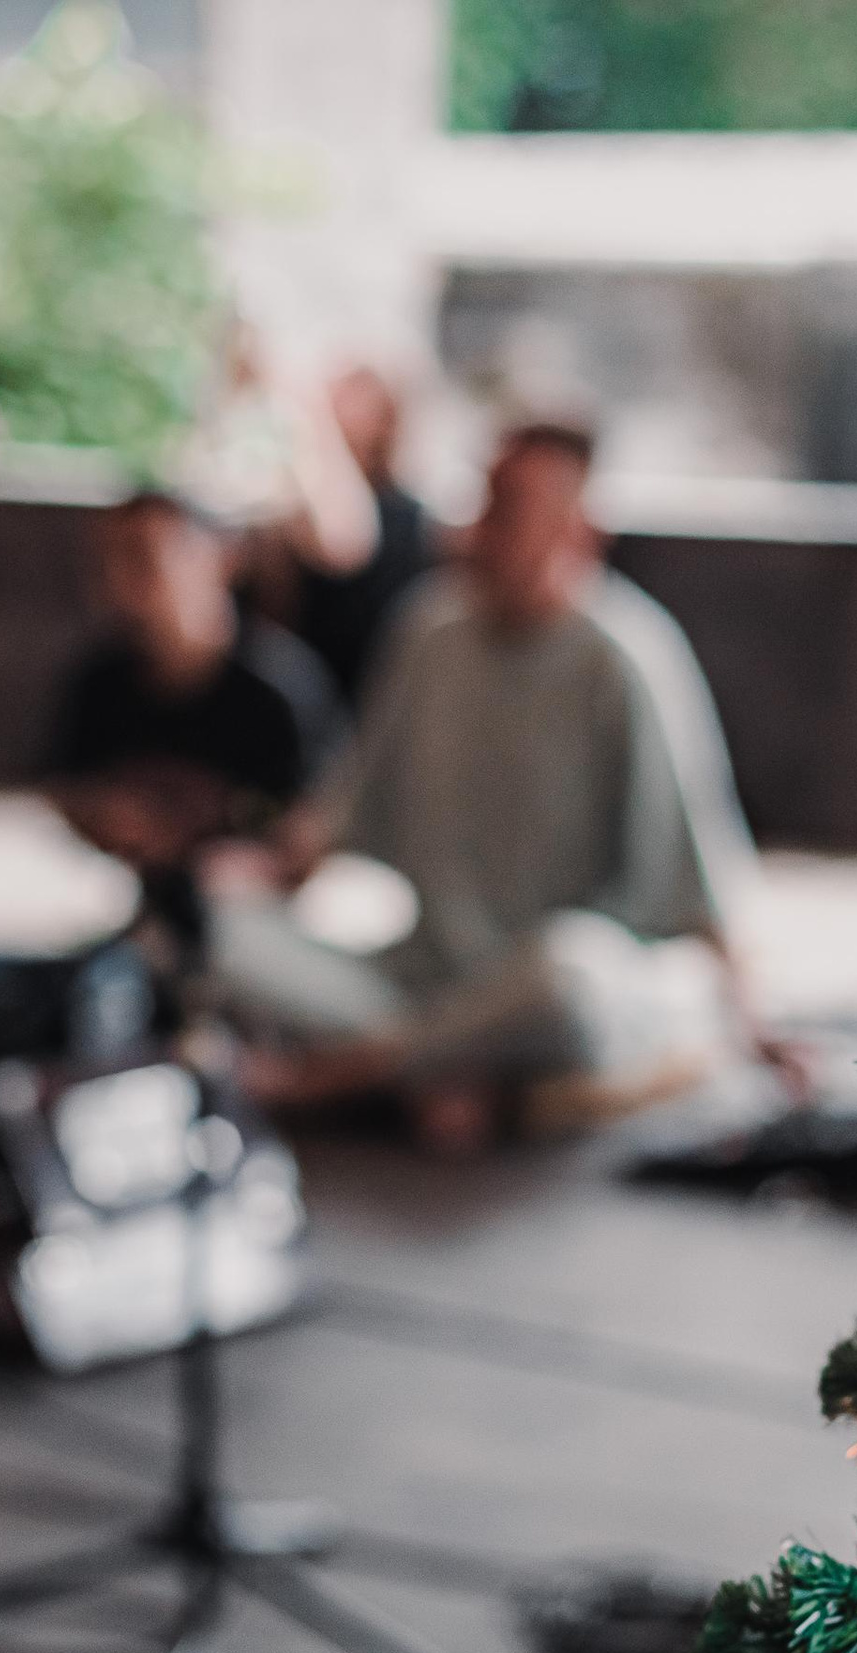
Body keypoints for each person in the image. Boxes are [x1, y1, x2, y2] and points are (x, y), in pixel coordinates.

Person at [213, 421, 797, 1148]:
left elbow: (702, 870)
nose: (481, 527)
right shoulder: (430, 630)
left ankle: (348, 1077)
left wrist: (757, 1031)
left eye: (509, 506)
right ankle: (461, 1074)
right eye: (484, 499)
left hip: (548, 985)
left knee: (572, 977)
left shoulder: (625, 655)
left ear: (579, 529)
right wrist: (228, 884)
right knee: (220, 934)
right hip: (426, 977)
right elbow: (339, 815)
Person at [44, 487, 343, 893]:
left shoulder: (281, 690)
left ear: (221, 559)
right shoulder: (101, 681)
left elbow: (318, 832)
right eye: (107, 560)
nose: (121, 579)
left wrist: (232, 865)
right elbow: (63, 792)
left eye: (141, 556)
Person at [268, 364, 440, 711]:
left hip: (365, 695)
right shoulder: (297, 500)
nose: (335, 396)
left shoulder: (401, 516)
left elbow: (342, 541)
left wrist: (312, 414)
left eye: (356, 389)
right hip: (308, 695)